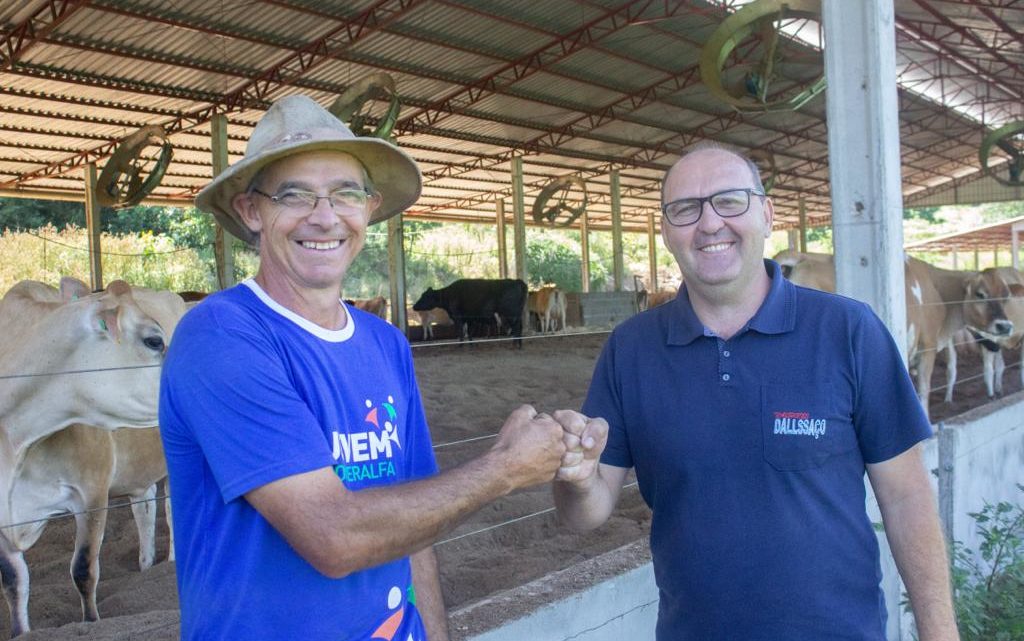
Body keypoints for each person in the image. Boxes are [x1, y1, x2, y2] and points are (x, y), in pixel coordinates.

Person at [159, 95, 568, 641]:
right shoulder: (221, 335)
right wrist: (505, 469)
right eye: (294, 195)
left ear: (370, 209)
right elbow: (333, 538)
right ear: (251, 211)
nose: (324, 216)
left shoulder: (384, 342)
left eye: (345, 194)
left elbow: (416, 522)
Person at [552, 144, 960, 640]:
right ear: (665, 230)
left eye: (730, 201)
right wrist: (574, 478)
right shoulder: (631, 349)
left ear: (767, 215)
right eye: (685, 208)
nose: (709, 223)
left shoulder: (848, 331)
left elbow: (906, 498)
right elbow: (588, 513)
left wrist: (940, 634)